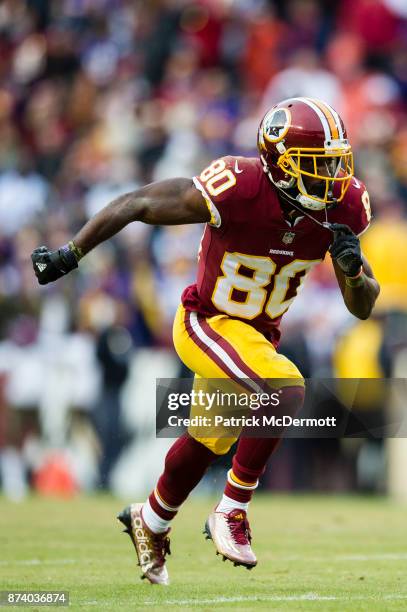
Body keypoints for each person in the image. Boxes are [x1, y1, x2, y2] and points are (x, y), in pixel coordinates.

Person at [32, 97, 380, 585]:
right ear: (280, 164)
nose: (332, 176)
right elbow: (138, 203)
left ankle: (150, 521)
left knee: (205, 440)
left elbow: (362, 304)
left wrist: (350, 271)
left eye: (335, 162)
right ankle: (231, 510)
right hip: (207, 321)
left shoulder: (343, 205)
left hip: (256, 336)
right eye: (317, 164)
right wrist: (71, 252)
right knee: (286, 387)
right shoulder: (237, 187)